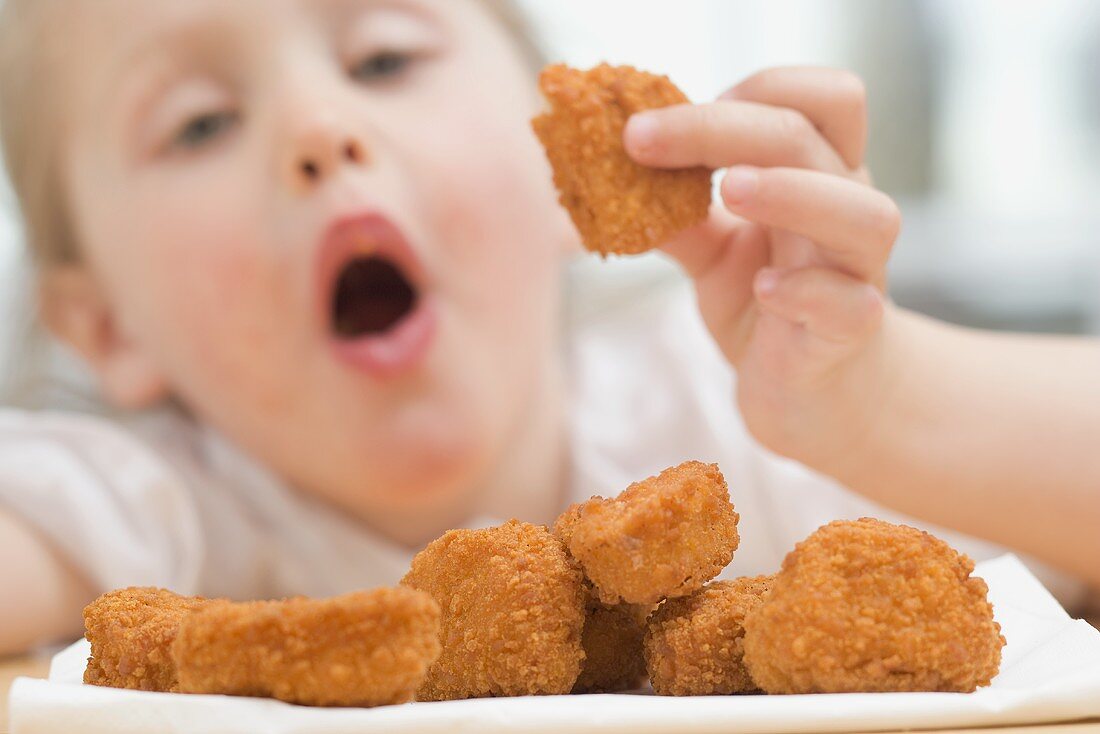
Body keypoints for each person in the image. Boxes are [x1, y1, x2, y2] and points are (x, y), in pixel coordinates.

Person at [0, 0, 1095, 658]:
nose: (318, 130)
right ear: (106, 327)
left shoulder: (723, 409)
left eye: (382, 58)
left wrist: (883, 406)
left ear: (563, 179)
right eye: (198, 124)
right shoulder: (152, 504)